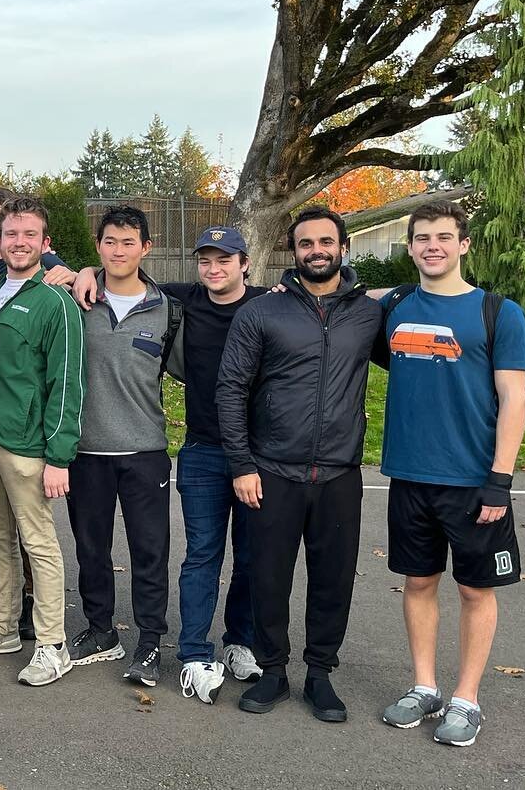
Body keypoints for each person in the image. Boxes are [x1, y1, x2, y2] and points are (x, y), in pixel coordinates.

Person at [75, 224, 267, 703]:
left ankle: (198, 642)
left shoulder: (188, 307)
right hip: (135, 449)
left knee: (182, 554)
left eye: (225, 259)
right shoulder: (86, 300)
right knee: (104, 550)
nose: (214, 268)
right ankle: (120, 635)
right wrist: (72, 270)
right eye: (206, 260)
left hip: (184, 450)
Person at [216, 205, 380, 721]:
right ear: (294, 251)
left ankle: (320, 675)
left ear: (343, 248)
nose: (316, 251)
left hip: (339, 473)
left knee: (334, 578)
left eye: (325, 242)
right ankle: (272, 672)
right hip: (272, 471)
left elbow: (422, 347)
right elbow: (231, 389)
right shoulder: (263, 311)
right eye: (306, 244)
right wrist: (242, 464)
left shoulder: (369, 313)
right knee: (268, 576)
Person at [375, 200, 525, 746]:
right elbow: (337, 299)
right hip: (409, 477)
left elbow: (515, 400)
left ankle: (466, 698)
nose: (432, 246)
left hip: (473, 480)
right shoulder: (392, 306)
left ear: (463, 244)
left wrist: (500, 479)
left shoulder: (498, 312)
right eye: (421, 238)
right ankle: (425, 688)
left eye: (444, 237)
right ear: (410, 246)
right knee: (418, 582)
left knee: (474, 590)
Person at [0, 197, 82, 687]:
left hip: (26, 444)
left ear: (45, 243)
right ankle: (3, 628)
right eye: (12, 234)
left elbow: (67, 382)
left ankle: (52, 644)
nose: (19, 242)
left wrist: (59, 455)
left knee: (39, 543)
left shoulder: (56, 302)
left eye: (30, 234)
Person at [65, 206, 183, 689]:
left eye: (128, 242)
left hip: (144, 449)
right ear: (98, 246)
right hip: (85, 451)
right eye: (110, 242)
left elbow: (190, 369)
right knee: (91, 548)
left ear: (146, 248)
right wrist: (76, 275)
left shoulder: (167, 310)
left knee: (149, 551)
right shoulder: (75, 301)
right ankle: (100, 630)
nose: (119, 251)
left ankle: (150, 641)